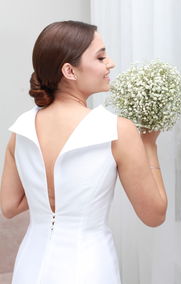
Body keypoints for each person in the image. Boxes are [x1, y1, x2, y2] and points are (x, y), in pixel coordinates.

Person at [0, 20, 168, 284]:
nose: (110, 63)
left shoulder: (20, 129)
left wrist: (50, 198)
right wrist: (149, 145)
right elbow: (154, 215)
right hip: (88, 269)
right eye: (101, 57)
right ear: (69, 70)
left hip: (30, 268)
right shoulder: (116, 130)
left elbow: (9, 207)